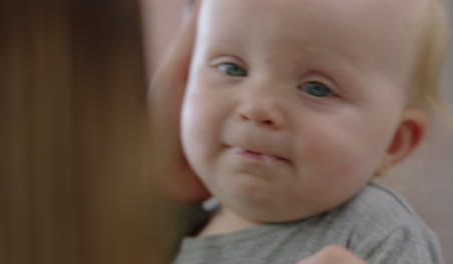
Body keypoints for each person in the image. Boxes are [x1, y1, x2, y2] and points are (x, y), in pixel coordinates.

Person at [150, 0, 449, 263]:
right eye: (232, 69)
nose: (256, 108)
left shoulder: (380, 233)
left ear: (393, 143)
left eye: (316, 89)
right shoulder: (167, 225)